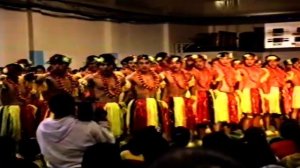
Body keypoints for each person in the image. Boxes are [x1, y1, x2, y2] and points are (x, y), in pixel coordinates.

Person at [36, 93, 115, 168]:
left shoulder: (42, 127)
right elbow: (110, 141)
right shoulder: (87, 126)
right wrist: (103, 123)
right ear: (74, 107)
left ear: (50, 108)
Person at [85, 54, 126, 138]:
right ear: (98, 66)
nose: (106, 67)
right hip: (100, 109)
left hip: (116, 108)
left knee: (117, 134)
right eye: (103, 65)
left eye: (109, 65)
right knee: (101, 135)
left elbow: (124, 90)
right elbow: (89, 97)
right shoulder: (92, 78)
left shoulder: (120, 78)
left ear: (113, 65)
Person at [126, 55, 163, 133]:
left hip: (154, 104)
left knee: (155, 126)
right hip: (140, 105)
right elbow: (127, 92)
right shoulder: (132, 77)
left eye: (146, 63)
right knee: (140, 128)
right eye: (141, 63)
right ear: (137, 65)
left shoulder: (157, 76)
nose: (144, 65)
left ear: (150, 64)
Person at [161, 55, 194, 132]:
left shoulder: (188, 74)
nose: (174, 65)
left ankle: (187, 140)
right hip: (170, 102)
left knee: (185, 122)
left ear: (181, 64)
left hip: (184, 101)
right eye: (172, 63)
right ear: (168, 64)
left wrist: (193, 98)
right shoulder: (165, 74)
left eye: (177, 63)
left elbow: (192, 88)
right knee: (170, 123)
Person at [238, 53, 267, 129]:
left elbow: (262, 82)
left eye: (251, 59)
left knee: (258, 114)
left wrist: (265, 94)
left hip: (258, 92)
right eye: (247, 59)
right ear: (244, 60)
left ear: (255, 60)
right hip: (247, 92)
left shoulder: (261, 70)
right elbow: (240, 82)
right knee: (249, 115)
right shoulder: (241, 70)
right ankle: (246, 135)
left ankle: (255, 133)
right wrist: (239, 94)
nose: (249, 61)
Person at [213, 52, 240, 123]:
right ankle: (218, 133)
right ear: (218, 59)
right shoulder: (215, 68)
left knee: (229, 115)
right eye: (222, 59)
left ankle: (227, 133)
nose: (225, 61)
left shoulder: (231, 69)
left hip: (230, 93)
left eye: (227, 59)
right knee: (220, 116)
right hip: (220, 93)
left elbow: (236, 82)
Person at [190, 54, 215, 124]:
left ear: (204, 62)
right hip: (198, 95)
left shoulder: (209, 70)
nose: (198, 63)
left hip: (209, 94)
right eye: (196, 62)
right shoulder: (192, 72)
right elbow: (192, 86)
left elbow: (218, 78)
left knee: (211, 117)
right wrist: (193, 96)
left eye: (200, 61)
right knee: (200, 119)